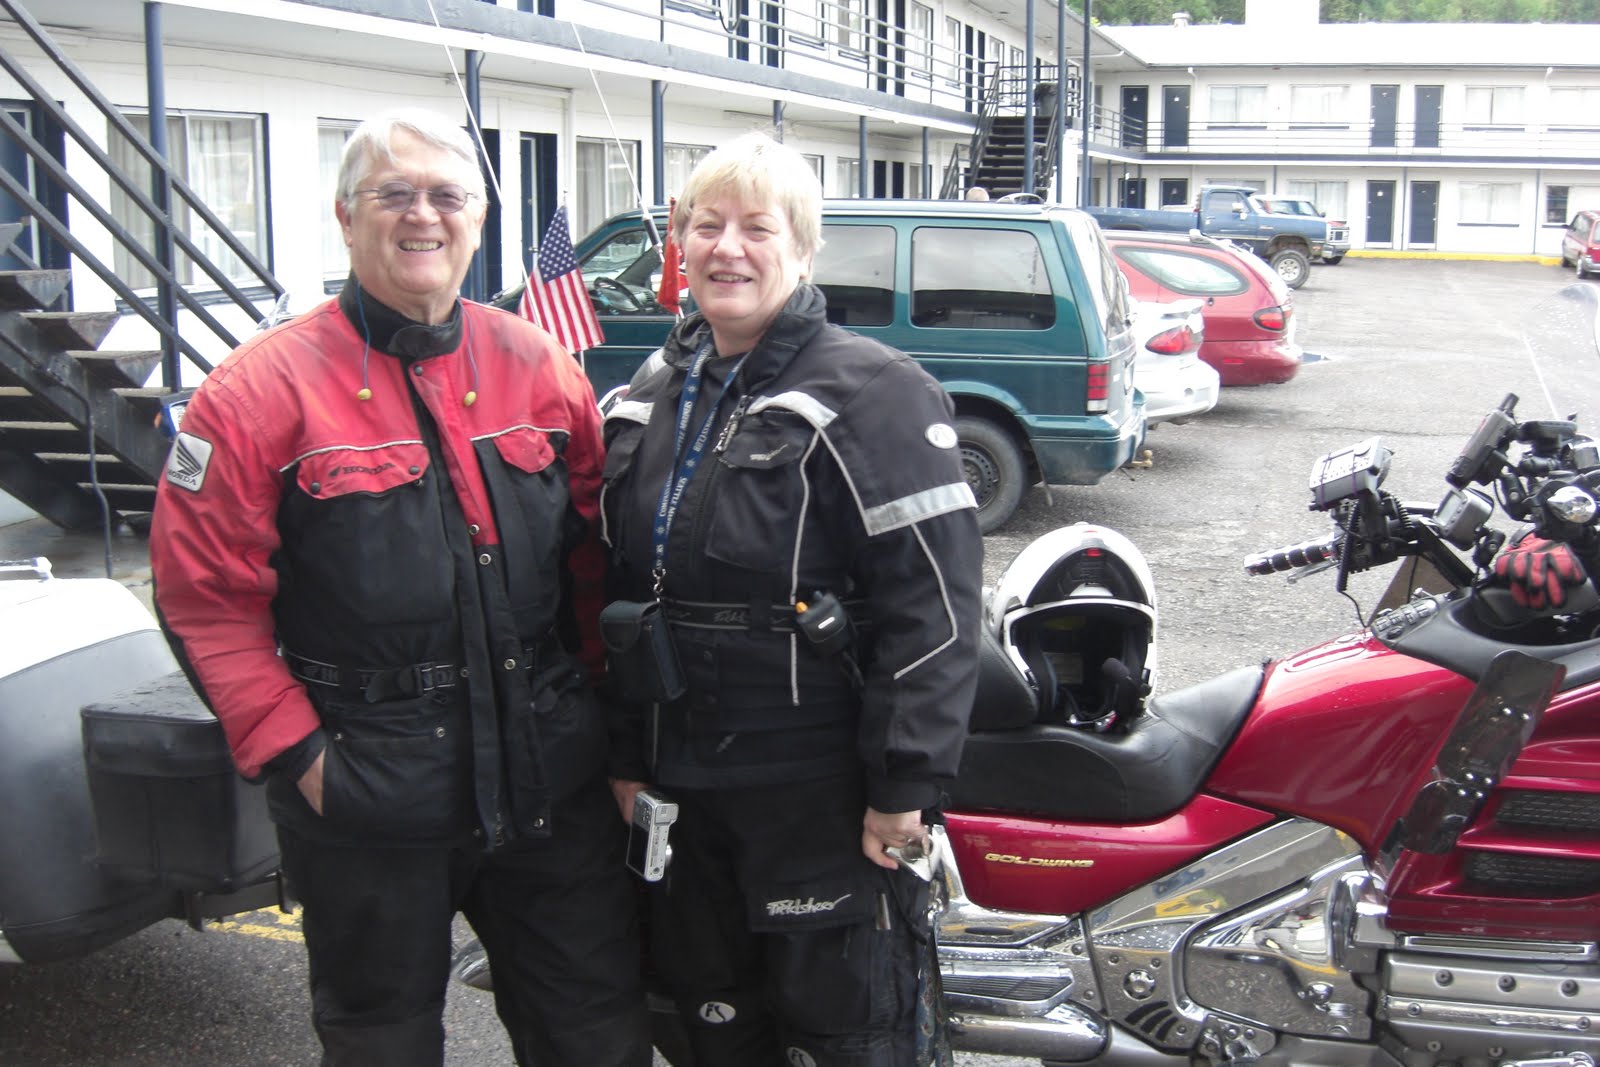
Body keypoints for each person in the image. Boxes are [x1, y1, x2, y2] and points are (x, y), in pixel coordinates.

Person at [149, 108, 649, 1067]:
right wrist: (301, 758)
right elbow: (205, 601)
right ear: (346, 216)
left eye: (448, 196)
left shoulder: (541, 366)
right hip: (366, 787)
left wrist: (603, 727)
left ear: (477, 221)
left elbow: (593, 567)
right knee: (381, 1042)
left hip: (548, 776)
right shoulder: (254, 393)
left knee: (595, 1031)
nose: (424, 215)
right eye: (394, 194)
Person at [602, 131, 984, 1066]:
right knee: (713, 1024)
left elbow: (934, 610)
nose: (726, 248)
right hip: (682, 785)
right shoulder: (658, 386)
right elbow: (621, 587)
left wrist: (903, 787)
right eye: (706, 225)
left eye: (757, 228)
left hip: (816, 793)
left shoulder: (878, 392)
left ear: (804, 251)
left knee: (846, 1035)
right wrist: (626, 754)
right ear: (680, 245)